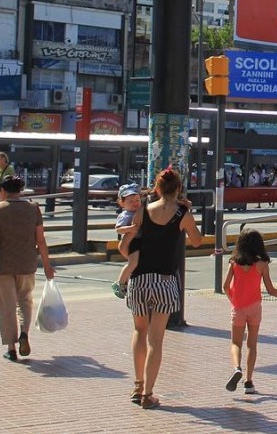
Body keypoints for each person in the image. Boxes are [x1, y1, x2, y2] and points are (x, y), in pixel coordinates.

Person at [120, 167, 202, 409]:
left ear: (156, 188)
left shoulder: (143, 211)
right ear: (178, 189)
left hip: (139, 279)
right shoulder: (182, 214)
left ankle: (137, 385)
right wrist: (188, 213)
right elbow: (197, 241)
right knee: (156, 339)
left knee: (139, 332)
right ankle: (148, 393)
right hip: (165, 281)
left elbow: (126, 248)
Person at [0, 174, 55, 362]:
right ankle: (24, 333)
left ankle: (11, 347)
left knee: (7, 306)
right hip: (27, 264)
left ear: (2, 191)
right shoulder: (33, 208)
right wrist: (47, 265)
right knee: (25, 301)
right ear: (20, 191)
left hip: (3, 266)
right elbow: (41, 240)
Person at [223, 229, 277, 395]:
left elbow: (225, 286)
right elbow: (270, 289)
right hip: (255, 308)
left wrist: (234, 300)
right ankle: (248, 381)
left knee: (235, 343)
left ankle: (237, 368)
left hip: (238, 307)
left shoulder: (233, 263)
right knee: (252, 344)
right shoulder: (262, 265)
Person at [111, 184, 143, 298]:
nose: (135, 203)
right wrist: (129, 228)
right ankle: (120, 283)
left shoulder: (141, 211)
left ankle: (128, 283)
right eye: (130, 201)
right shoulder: (125, 215)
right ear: (122, 203)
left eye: (137, 200)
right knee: (133, 263)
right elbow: (118, 229)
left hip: (141, 241)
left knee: (137, 264)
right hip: (132, 242)